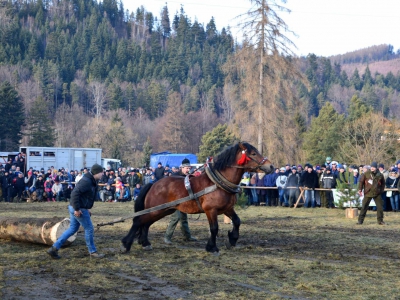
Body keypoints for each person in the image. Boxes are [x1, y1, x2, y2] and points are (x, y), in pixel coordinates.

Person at [47, 163, 105, 259]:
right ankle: (93, 252)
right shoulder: (87, 181)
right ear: (96, 173)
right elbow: (74, 194)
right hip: (79, 209)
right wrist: (77, 209)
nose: (103, 174)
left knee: (72, 229)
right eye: (101, 172)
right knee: (89, 228)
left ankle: (54, 248)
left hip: (78, 208)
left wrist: (86, 208)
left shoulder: (91, 180)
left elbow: (86, 196)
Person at [164, 158, 197, 244]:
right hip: (174, 201)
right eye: (186, 168)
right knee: (176, 218)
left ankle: (187, 236)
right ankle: (167, 237)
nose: (188, 170)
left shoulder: (188, 176)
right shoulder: (175, 176)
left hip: (183, 201)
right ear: (182, 167)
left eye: (189, 168)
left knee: (184, 219)